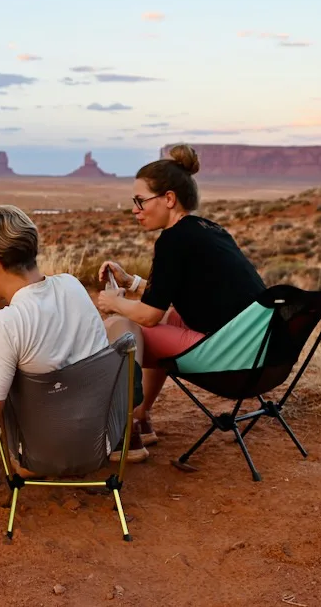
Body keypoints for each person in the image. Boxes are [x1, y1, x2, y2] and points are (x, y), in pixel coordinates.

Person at [0, 205, 148, 465]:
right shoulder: (71, 285)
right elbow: (38, 314)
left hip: (39, 457)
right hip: (98, 443)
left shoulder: (3, 326)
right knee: (118, 325)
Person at [95, 144, 265, 448]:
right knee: (174, 317)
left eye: (140, 200)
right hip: (259, 353)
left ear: (169, 199)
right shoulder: (207, 230)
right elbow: (185, 289)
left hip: (231, 360)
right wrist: (131, 282)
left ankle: (126, 429)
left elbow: (149, 315)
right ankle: (140, 418)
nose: (135, 209)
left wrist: (113, 302)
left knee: (123, 330)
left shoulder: (172, 241)